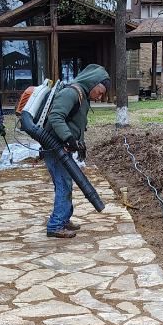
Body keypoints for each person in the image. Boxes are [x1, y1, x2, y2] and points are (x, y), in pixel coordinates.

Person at [41, 64, 110, 238]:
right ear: (93, 83)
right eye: (100, 92)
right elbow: (56, 116)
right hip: (54, 147)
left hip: (61, 147)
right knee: (63, 184)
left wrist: (80, 144)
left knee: (65, 183)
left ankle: (63, 219)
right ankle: (55, 225)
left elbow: (77, 124)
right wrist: (68, 138)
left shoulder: (82, 96)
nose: (100, 97)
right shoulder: (71, 93)